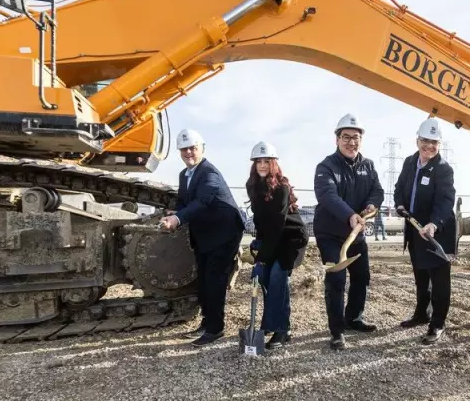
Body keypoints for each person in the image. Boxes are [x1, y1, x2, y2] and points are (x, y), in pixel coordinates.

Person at [159, 128, 246, 347]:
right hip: (206, 234)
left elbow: (202, 202)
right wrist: (176, 212)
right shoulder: (185, 175)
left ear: (202, 149)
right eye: (184, 149)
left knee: (215, 279)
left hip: (224, 233)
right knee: (205, 279)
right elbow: (185, 201)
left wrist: (178, 219)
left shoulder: (209, 173)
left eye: (192, 148)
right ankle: (207, 322)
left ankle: (215, 329)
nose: (188, 152)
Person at [313, 113, 384, 350]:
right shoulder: (326, 167)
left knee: (361, 277)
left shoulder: (368, 165)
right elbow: (327, 195)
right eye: (346, 137)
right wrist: (350, 215)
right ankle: (337, 331)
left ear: (361, 140)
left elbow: (377, 191)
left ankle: (353, 318)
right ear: (337, 139)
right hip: (331, 234)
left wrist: (372, 205)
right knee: (336, 279)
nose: (351, 142)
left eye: (356, 137)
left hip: (356, 234)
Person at [394, 117, 456, 344]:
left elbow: (446, 200)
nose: (429, 146)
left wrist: (434, 223)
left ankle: (438, 323)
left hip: (436, 232)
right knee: (420, 275)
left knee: (439, 280)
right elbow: (399, 188)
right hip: (414, 229)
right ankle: (421, 314)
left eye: (434, 142)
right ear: (417, 140)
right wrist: (399, 204)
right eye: (425, 141)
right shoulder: (410, 162)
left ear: (439, 144)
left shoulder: (443, 169)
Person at [246, 141, 309, 350]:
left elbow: (276, 224)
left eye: (267, 161)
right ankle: (275, 324)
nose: (262, 165)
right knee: (264, 279)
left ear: (274, 163)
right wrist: (258, 244)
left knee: (276, 278)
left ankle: (281, 330)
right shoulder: (252, 186)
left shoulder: (282, 187)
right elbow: (260, 220)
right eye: (259, 161)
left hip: (291, 239)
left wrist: (263, 257)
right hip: (272, 240)